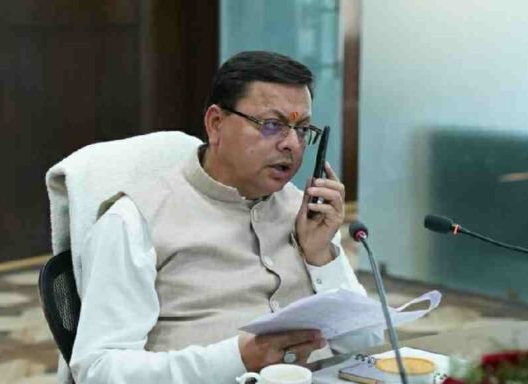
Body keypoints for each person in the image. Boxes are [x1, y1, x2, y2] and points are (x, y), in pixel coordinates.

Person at [70, 50, 383, 384]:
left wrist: (321, 257)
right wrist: (238, 358)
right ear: (216, 124)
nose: (292, 144)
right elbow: (98, 370)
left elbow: (367, 341)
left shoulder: (305, 210)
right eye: (272, 125)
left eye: (302, 129)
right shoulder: (136, 219)